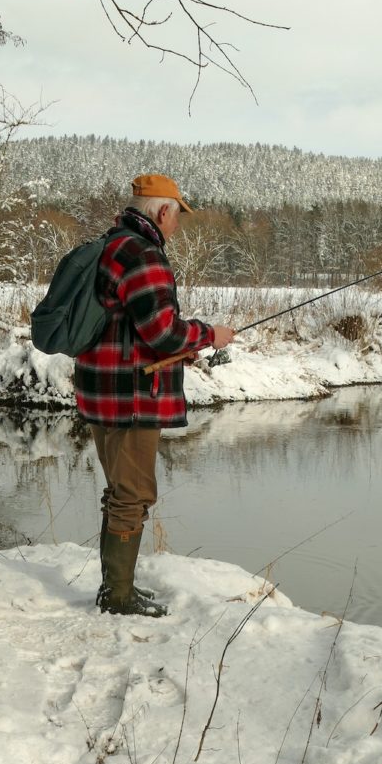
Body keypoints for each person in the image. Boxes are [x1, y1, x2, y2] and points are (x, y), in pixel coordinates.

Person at [74, 173, 234, 617]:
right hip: (130, 397)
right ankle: (118, 597)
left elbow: (125, 325)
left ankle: (117, 589)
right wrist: (209, 335)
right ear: (163, 211)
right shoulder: (143, 255)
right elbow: (163, 332)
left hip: (101, 389)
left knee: (121, 492)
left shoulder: (112, 244)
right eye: (177, 215)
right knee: (132, 495)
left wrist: (178, 350)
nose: (177, 224)